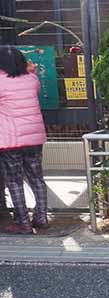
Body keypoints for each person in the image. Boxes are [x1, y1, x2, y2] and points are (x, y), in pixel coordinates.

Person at [0, 46, 48, 234]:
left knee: (14, 181)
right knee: (37, 178)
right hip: (34, 138)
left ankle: (23, 222)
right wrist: (32, 70)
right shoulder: (31, 80)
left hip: (10, 141)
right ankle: (41, 217)